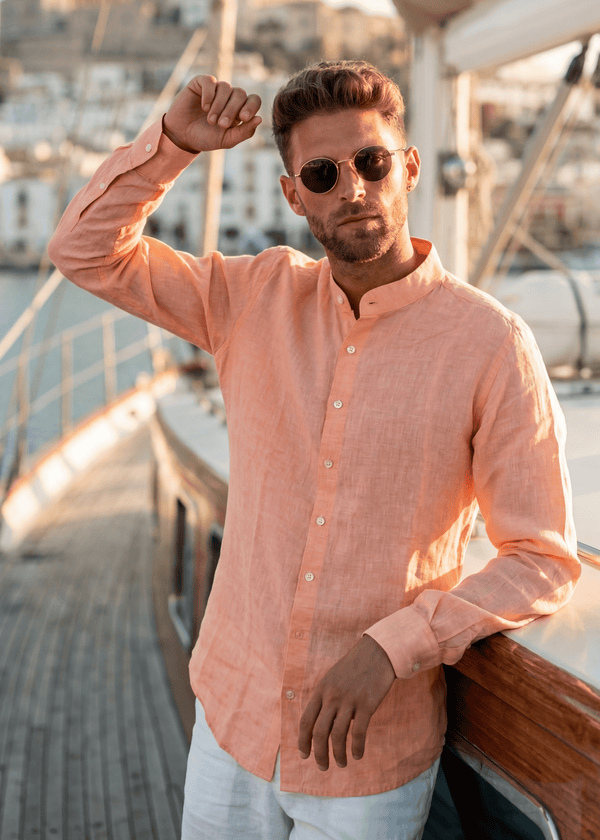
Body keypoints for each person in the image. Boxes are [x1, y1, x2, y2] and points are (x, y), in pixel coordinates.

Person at [48, 61, 580, 840]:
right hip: (230, 722)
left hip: (368, 758)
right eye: (324, 174)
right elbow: (85, 251)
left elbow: (541, 557)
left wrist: (394, 645)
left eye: (372, 163)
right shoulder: (251, 297)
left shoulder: (492, 343)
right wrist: (171, 145)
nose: (353, 189)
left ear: (409, 168)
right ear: (296, 195)